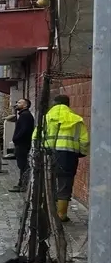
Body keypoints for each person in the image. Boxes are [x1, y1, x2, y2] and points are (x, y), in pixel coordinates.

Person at [39, 94, 89, 222]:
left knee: (48, 182)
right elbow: (84, 141)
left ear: (54, 104)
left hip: (48, 154)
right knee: (65, 184)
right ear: (68, 104)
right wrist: (82, 153)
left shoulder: (46, 118)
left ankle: (47, 212)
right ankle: (61, 215)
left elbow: (36, 137)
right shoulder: (77, 120)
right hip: (68, 156)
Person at [8, 98, 35, 192]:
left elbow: (24, 130)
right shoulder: (24, 115)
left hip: (22, 144)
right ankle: (21, 184)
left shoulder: (25, 116)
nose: (17, 104)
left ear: (25, 105)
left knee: (23, 165)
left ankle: (23, 185)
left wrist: (16, 139)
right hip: (22, 143)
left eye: (19, 103)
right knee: (22, 165)